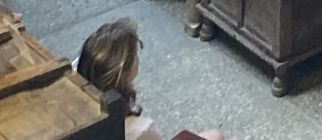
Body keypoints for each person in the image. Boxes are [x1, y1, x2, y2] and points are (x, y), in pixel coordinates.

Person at [75, 18, 226, 140]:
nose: (138, 59)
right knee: (216, 136)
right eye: (135, 55)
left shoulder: (77, 76)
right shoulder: (139, 130)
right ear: (124, 71)